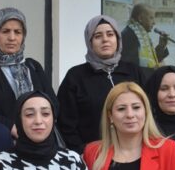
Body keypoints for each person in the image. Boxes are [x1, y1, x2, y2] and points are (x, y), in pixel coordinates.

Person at [57, 15, 145, 153]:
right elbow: (66, 124)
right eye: (98, 36)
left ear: (118, 39)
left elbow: (148, 112)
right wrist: (84, 152)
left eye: (110, 34)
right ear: (90, 42)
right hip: (92, 156)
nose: (105, 40)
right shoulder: (76, 77)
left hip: (135, 153)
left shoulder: (133, 72)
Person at [0, 7, 55, 129]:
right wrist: (10, 126)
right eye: (5, 31)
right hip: (1, 137)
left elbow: (53, 104)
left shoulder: (33, 66)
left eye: (17, 32)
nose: (12, 37)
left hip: (38, 135)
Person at [122, 4, 169, 69]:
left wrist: (161, 46)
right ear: (140, 18)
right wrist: (155, 69)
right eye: (151, 18)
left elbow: (151, 60)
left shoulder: (139, 33)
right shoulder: (129, 36)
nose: (154, 22)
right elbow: (131, 68)